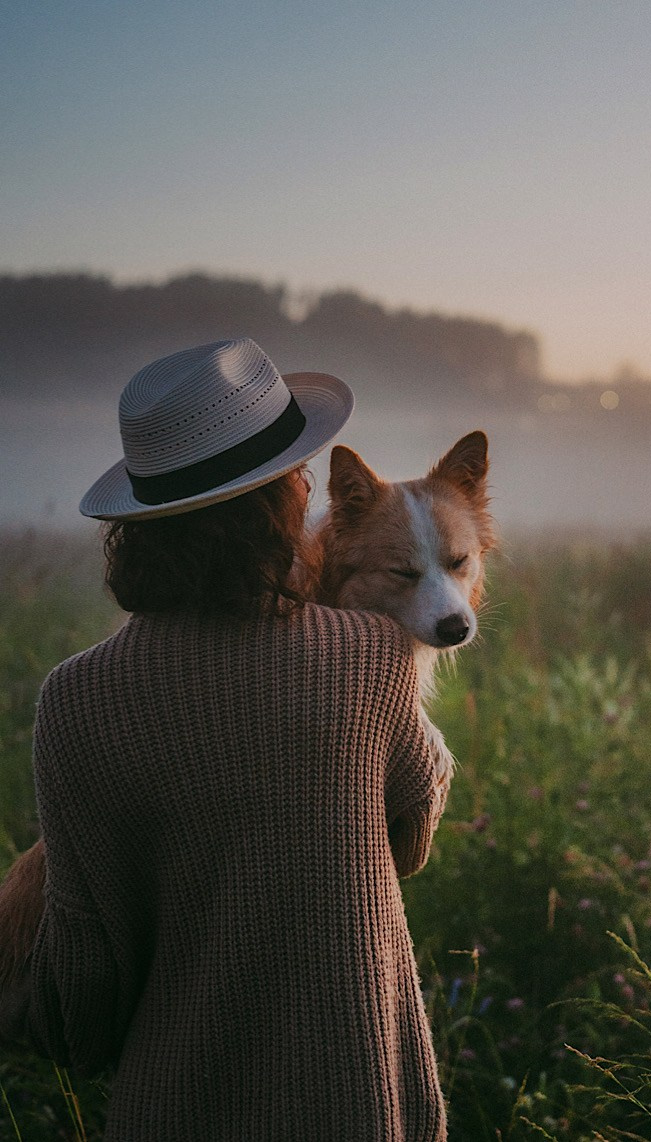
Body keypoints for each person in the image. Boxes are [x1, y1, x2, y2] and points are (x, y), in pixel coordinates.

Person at [14, 338, 448, 1141]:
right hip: (360, 1106)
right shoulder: (370, 655)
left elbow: (79, 1001)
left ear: (141, 523)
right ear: (288, 496)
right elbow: (410, 842)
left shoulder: (75, 701)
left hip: (170, 1110)